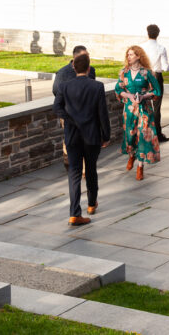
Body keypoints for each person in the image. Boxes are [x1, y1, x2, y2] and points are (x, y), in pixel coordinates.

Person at [54, 52, 111, 226]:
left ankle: (74, 213)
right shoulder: (97, 86)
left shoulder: (64, 87)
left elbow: (56, 108)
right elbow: (103, 113)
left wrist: (71, 120)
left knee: (75, 174)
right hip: (91, 136)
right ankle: (92, 204)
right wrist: (106, 135)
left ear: (73, 67)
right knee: (91, 169)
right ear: (88, 68)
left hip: (72, 137)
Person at [115, 45, 161, 180]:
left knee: (143, 135)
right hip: (129, 110)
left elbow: (157, 91)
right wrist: (128, 96)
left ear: (138, 56)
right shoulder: (124, 72)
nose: (128, 57)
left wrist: (144, 96)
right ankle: (132, 155)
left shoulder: (147, 73)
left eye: (131, 55)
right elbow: (118, 89)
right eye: (127, 55)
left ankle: (140, 166)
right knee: (130, 136)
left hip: (145, 109)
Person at [140, 23, 169, 143]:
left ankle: (145, 131)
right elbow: (164, 67)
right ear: (158, 34)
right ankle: (157, 133)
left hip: (144, 76)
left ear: (147, 33)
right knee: (157, 107)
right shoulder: (161, 48)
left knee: (144, 104)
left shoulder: (141, 47)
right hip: (156, 76)